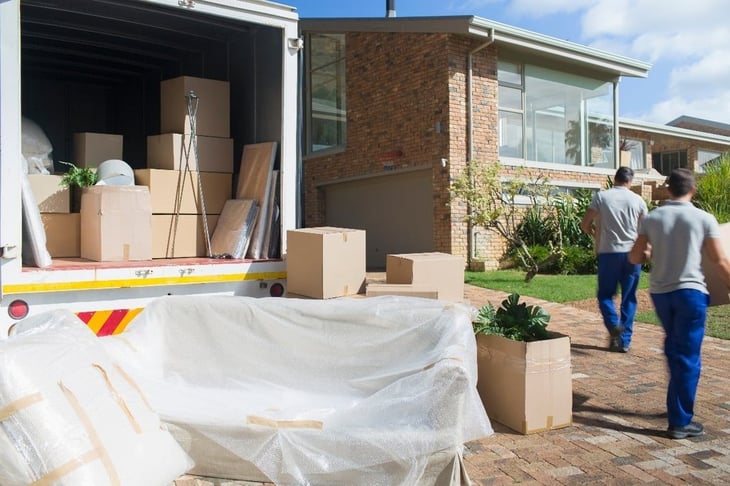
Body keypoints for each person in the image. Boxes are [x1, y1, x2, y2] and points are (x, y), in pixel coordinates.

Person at [629, 168, 730, 440]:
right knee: (687, 357)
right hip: (690, 293)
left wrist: (651, 251)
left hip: (661, 294)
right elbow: (719, 261)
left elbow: (636, 258)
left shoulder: (653, 218)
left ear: (668, 189)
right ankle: (680, 422)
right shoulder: (703, 218)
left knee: (676, 350)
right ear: (693, 190)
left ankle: (677, 406)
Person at [581, 166, 648, 352]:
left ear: (614, 178)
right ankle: (624, 341)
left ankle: (613, 326)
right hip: (632, 254)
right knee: (629, 298)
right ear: (630, 181)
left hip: (608, 253)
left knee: (605, 295)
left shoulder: (602, 197)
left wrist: (594, 232)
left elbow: (584, 224)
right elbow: (646, 230)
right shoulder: (638, 200)